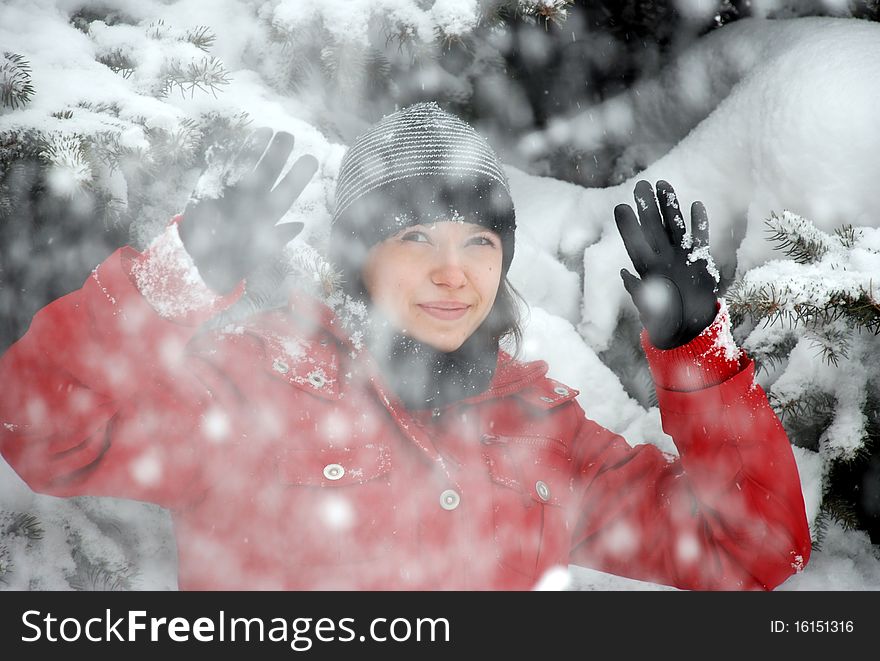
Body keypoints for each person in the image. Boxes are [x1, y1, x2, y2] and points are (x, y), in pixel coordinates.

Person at [0, 102, 810, 590]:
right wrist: (166, 284)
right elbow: (43, 434)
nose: (453, 274)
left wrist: (699, 352)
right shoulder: (255, 386)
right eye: (416, 235)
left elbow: (753, 552)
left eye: (480, 242)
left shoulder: (544, 432)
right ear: (361, 260)